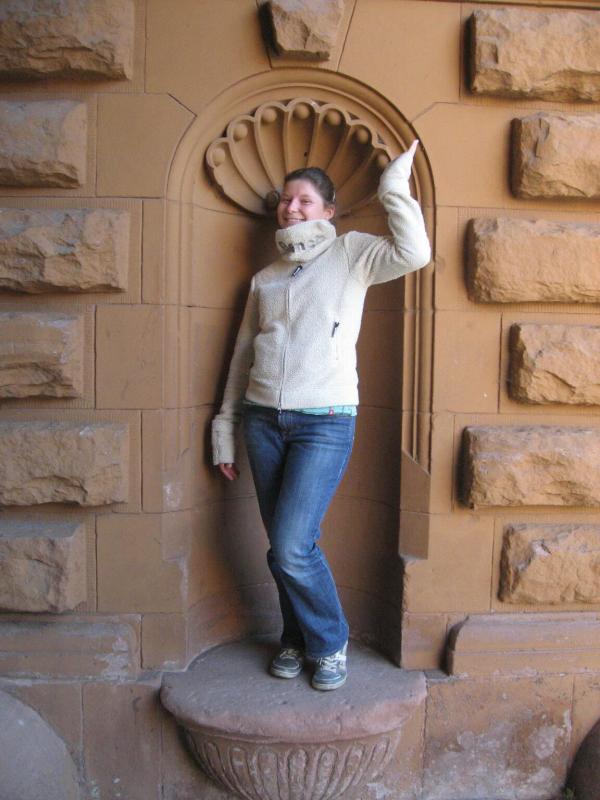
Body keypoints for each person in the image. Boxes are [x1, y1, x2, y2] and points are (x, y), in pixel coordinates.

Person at [212, 139, 431, 690]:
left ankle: (330, 642)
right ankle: (295, 637)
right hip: (262, 421)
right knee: (284, 548)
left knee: (291, 545)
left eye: (305, 200)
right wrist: (224, 431)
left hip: (324, 421)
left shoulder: (352, 253)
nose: (292, 208)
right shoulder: (265, 279)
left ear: (328, 211)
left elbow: (413, 253)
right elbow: (242, 356)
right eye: (286, 200)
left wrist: (393, 189)